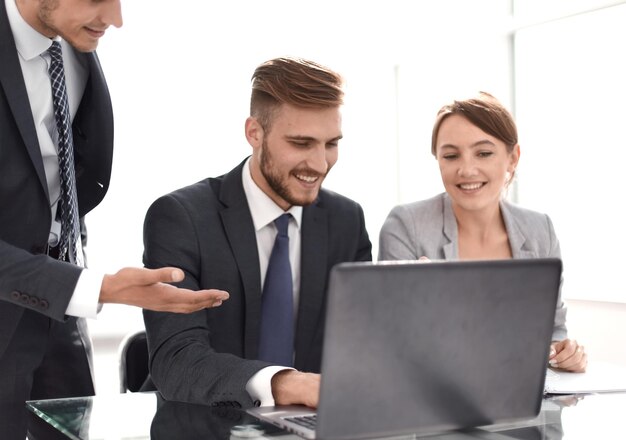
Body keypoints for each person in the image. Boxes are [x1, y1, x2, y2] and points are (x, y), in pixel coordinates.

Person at [1, 1, 228, 438]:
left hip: (62, 307)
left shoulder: (72, 40)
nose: (115, 19)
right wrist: (102, 288)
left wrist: (69, 262)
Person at [142, 57, 372, 409]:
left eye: (331, 144)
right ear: (254, 133)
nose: (320, 164)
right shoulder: (182, 217)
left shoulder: (346, 220)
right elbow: (176, 360)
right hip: (202, 425)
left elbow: (361, 345)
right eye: (301, 143)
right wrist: (286, 384)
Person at [378, 92, 587, 373]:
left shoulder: (540, 230)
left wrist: (564, 353)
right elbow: (393, 339)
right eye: (451, 156)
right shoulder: (407, 226)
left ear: (513, 158)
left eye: (483, 153)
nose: (466, 170)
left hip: (520, 399)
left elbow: (553, 330)